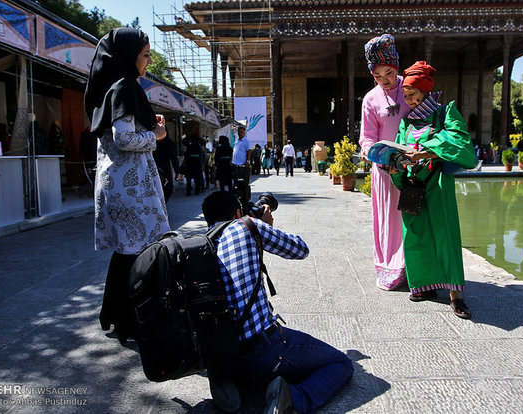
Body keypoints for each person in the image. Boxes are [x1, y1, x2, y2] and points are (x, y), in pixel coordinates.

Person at [201, 191, 353, 414]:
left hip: (220, 355)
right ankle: (293, 399)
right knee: (341, 364)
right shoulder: (246, 226)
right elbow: (300, 250)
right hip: (262, 349)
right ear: (237, 212)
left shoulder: (200, 246)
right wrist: (265, 226)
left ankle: (230, 381)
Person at [84, 27, 170, 341]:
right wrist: (156, 136)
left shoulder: (115, 86)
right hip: (128, 188)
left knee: (127, 251)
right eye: (145, 55)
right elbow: (125, 139)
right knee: (133, 252)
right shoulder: (123, 87)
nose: (148, 61)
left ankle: (113, 315)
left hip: (122, 184)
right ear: (128, 56)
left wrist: (150, 125)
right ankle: (125, 319)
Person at [389, 61, 476, 319]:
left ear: (426, 91)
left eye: (413, 95)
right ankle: (424, 285)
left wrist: (426, 151)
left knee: (444, 235)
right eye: (405, 96)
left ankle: (455, 296)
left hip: (436, 183)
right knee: (415, 236)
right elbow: (399, 147)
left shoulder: (445, 113)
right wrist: (393, 164)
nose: (409, 100)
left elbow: (459, 142)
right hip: (411, 183)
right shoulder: (406, 123)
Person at [358, 34, 411, 291]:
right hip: (385, 169)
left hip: (413, 166)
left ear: (396, 66)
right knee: (389, 219)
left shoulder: (411, 89)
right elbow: (366, 138)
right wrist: (376, 154)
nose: (384, 80)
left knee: (412, 215)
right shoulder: (370, 99)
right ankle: (390, 266)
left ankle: (414, 267)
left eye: (388, 73)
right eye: (377, 76)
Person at [153, 127, 182, 202]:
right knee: (167, 189)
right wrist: (177, 172)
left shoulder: (151, 141)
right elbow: (174, 159)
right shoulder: (169, 142)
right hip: (165, 169)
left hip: (152, 168)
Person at [232, 126, 251, 200]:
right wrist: (232, 161)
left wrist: (247, 161)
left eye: (241, 132)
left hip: (243, 165)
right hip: (236, 165)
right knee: (236, 182)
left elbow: (249, 151)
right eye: (239, 132)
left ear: (244, 132)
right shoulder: (236, 141)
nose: (240, 133)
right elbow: (234, 152)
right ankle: (238, 196)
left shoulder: (246, 141)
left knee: (243, 182)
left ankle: (245, 197)